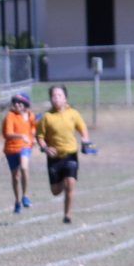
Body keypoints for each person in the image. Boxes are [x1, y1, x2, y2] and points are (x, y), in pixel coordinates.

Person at [36, 85, 92, 224]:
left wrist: (85, 140)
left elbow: (83, 130)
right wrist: (45, 148)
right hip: (54, 157)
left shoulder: (73, 114)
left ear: (65, 97)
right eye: (53, 96)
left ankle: (68, 215)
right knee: (55, 191)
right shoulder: (46, 117)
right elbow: (40, 136)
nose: (56, 98)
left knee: (70, 184)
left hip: (70, 154)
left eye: (59, 95)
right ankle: (61, 182)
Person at [1, 92, 37, 213]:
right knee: (15, 176)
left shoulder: (31, 115)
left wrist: (34, 137)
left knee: (24, 167)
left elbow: (34, 128)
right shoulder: (10, 116)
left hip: (25, 147)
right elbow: (7, 134)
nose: (17, 104)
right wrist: (21, 136)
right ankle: (17, 201)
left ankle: (25, 196)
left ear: (25, 104)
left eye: (20, 102)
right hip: (11, 149)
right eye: (15, 102)